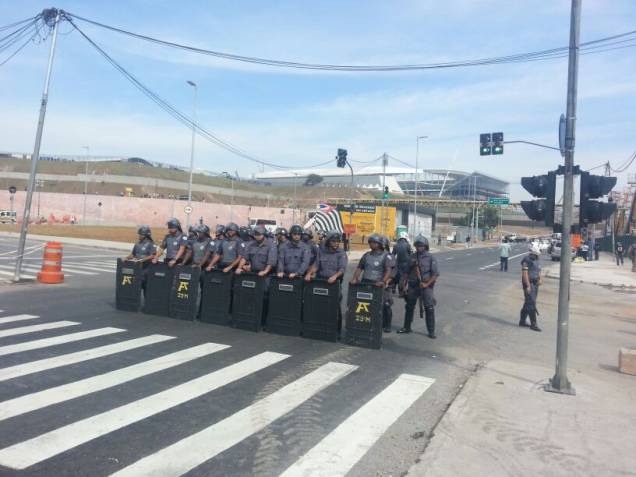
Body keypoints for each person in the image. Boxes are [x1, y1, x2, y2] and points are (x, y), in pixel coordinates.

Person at [305, 231, 348, 330]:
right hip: (321, 281)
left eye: (338, 241)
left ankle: (336, 331)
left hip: (334, 283)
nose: (336, 243)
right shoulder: (322, 251)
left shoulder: (341, 253)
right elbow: (316, 265)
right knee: (318, 305)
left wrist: (335, 276)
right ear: (328, 241)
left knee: (335, 307)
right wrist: (309, 273)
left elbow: (342, 269)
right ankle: (318, 327)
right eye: (333, 241)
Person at [350, 234, 394, 333]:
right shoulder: (366, 255)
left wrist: (383, 281)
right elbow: (359, 268)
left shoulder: (386, 256)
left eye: (374, 242)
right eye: (370, 242)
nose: (371, 244)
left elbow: (388, 271)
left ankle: (387, 325)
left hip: (379, 284)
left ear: (379, 244)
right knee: (366, 304)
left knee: (386, 305)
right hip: (366, 283)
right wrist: (355, 278)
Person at [399, 235, 439, 338]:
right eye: (417, 245)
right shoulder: (411, 257)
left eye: (421, 246)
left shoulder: (431, 258)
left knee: (429, 308)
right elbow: (406, 272)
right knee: (409, 306)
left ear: (425, 246)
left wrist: (426, 284)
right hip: (413, 285)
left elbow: (435, 275)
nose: (418, 247)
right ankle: (407, 327)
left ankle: (431, 331)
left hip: (426, 285)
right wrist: (404, 285)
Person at [519, 243, 542, 332]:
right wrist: (528, 286)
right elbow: (524, 274)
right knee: (531, 303)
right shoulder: (527, 260)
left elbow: (539, 270)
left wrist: (540, 279)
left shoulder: (537, 259)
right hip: (529, 283)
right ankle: (533, 324)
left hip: (535, 284)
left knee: (528, 303)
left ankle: (522, 321)